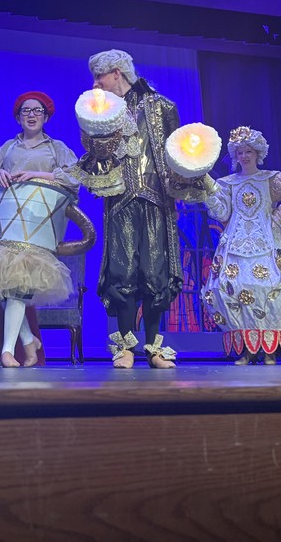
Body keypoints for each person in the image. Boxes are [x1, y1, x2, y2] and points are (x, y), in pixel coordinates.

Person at [75, 50, 188, 369]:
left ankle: (154, 348)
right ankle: (124, 346)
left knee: (155, 273)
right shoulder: (100, 111)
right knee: (122, 272)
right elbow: (93, 152)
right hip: (121, 198)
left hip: (156, 198)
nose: (96, 83)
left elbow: (177, 152)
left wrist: (186, 181)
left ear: (116, 73)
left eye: (100, 76)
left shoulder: (162, 106)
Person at [0, 92, 79, 368]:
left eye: (37, 111)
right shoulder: (8, 147)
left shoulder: (56, 148)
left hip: (37, 227)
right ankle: (28, 341)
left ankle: (8, 351)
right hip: (7, 228)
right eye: (25, 111)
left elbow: (75, 178)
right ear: (18, 117)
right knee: (11, 286)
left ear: (46, 116)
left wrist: (40, 175)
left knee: (16, 288)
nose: (31, 115)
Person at [200, 126, 281, 365]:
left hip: (267, 242)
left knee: (272, 289)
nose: (244, 156)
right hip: (235, 243)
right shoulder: (227, 183)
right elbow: (221, 213)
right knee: (233, 287)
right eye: (239, 152)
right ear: (235, 156)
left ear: (258, 152)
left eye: (248, 151)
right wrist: (208, 193)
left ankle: (269, 350)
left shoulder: (270, 179)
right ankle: (247, 350)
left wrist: (278, 217)